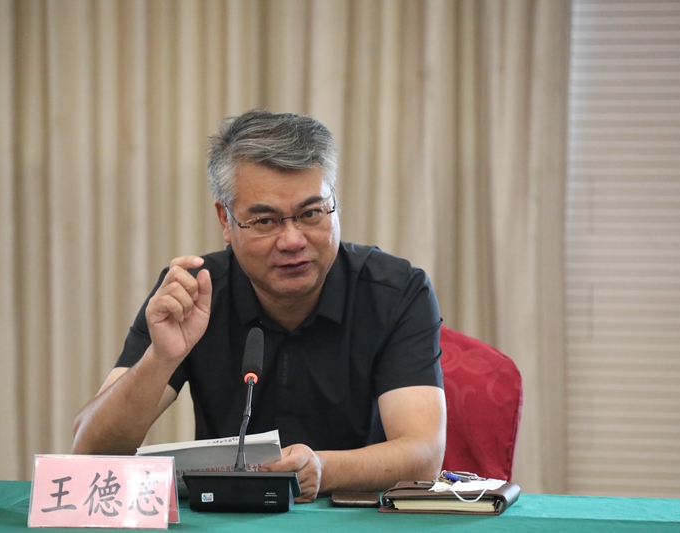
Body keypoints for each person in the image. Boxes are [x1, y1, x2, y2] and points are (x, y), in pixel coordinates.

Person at [72, 109, 446, 503]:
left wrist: (322, 467)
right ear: (226, 219)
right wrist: (160, 359)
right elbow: (90, 451)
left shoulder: (394, 291)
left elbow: (423, 456)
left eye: (311, 213)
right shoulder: (194, 292)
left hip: (353, 518)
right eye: (266, 221)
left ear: (333, 202)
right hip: (226, 518)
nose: (293, 240)